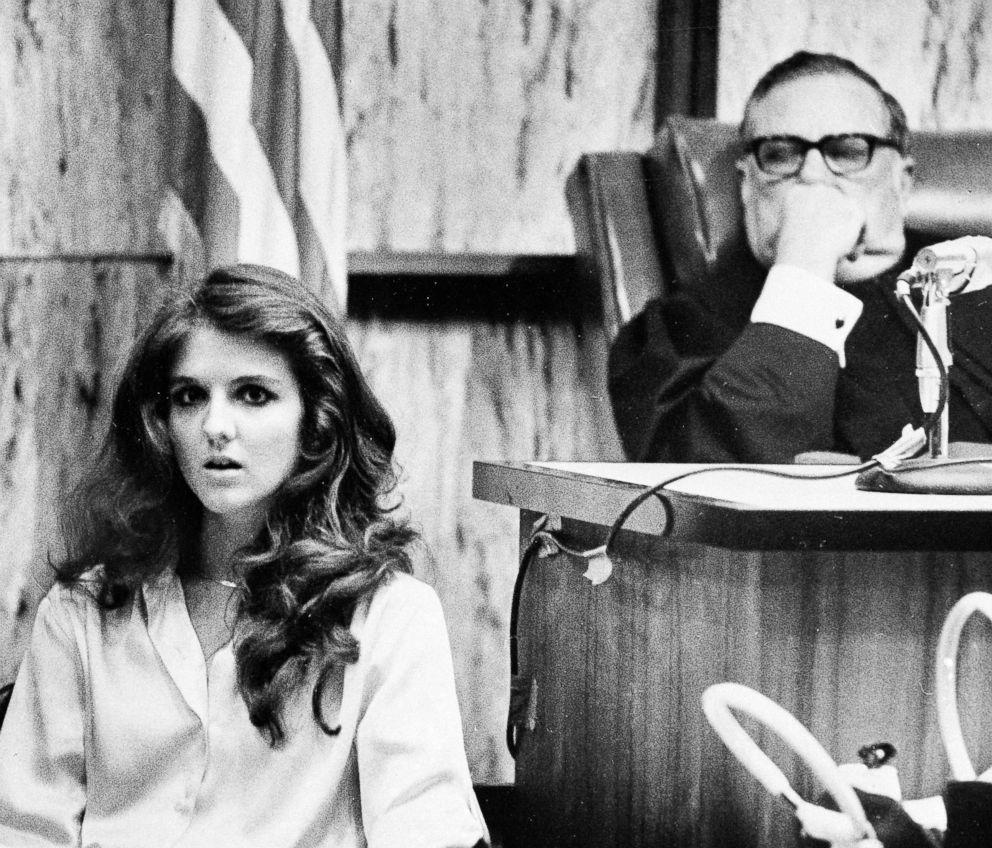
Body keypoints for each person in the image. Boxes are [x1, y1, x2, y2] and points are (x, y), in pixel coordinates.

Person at [0, 264, 489, 848]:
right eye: (189, 397)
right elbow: (26, 828)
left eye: (253, 395)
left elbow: (427, 830)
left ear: (316, 420)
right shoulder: (83, 610)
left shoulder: (389, 618)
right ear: (161, 422)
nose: (214, 426)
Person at [608, 51, 992, 463]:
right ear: (745, 185)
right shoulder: (672, 329)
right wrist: (805, 264)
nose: (812, 174)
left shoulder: (981, 276)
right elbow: (709, 496)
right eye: (780, 154)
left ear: (902, 181)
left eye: (847, 150)